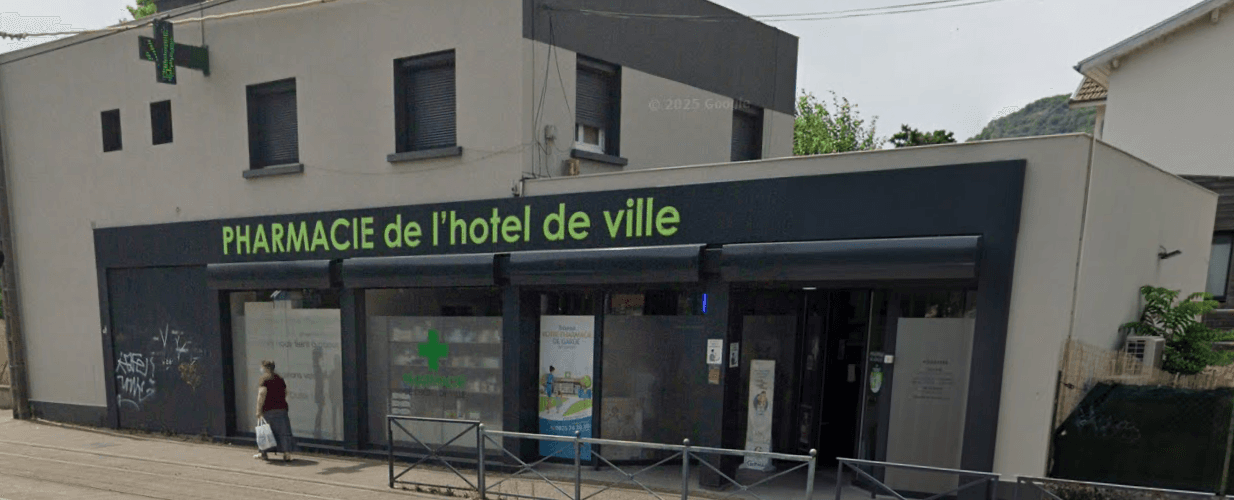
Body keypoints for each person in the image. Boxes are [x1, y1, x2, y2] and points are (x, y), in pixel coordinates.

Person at [255, 359, 296, 462]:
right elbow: (285, 392)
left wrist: (258, 410)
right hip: (281, 408)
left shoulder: (264, 379)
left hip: (268, 409)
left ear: (265, 368)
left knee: (265, 431)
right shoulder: (280, 378)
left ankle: (263, 453)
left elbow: (261, 394)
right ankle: (287, 453)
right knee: (283, 431)